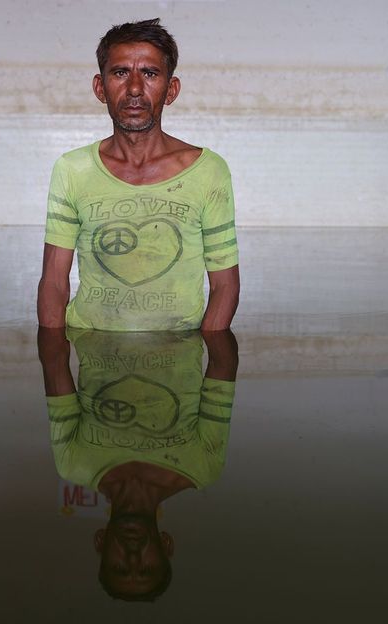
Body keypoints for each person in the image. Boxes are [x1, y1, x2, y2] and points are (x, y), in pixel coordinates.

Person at [37, 18, 240, 331]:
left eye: (149, 73)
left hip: (178, 354)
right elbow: (53, 282)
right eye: (120, 73)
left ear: (171, 90)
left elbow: (225, 286)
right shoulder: (72, 169)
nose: (134, 89)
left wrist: (215, 378)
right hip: (92, 348)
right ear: (99, 87)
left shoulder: (208, 170)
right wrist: (55, 370)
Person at [37, 326, 238, 600]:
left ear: (100, 543)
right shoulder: (202, 467)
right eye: (147, 569)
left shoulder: (73, 464)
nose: (133, 557)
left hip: (98, 326)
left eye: (119, 567)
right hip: (176, 326)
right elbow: (223, 362)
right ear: (166, 545)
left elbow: (53, 359)